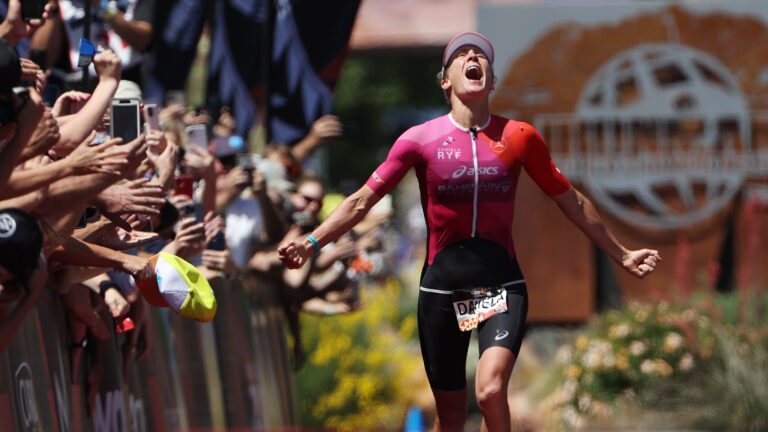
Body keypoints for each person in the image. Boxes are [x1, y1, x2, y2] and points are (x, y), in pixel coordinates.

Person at [279, 31, 662, 431]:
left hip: (500, 286)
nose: (472, 58)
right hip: (442, 292)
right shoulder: (419, 140)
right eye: (461, 55)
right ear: (446, 81)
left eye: (480, 56)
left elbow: (572, 200)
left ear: (491, 81)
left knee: (491, 392)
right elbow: (361, 201)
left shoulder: (520, 136)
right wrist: (311, 242)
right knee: (451, 417)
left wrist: (621, 253)